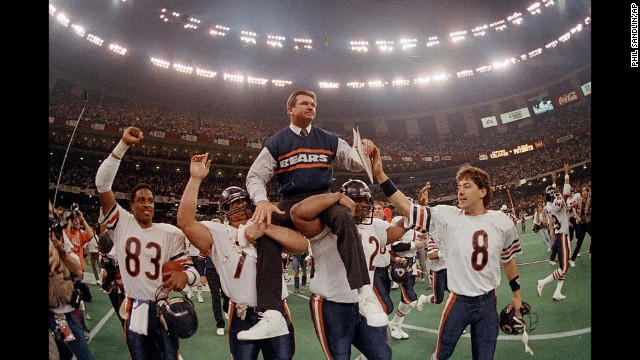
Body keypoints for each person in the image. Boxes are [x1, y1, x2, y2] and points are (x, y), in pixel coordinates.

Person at [245, 89, 387, 338]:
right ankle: (272, 313)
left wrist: (366, 150)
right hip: (290, 200)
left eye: (313, 104)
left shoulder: (329, 139)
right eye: (304, 103)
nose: (311, 107)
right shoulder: (277, 141)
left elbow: (354, 162)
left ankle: (365, 294)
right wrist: (262, 201)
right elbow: (255, 176)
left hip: (323, 198)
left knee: (343, 216)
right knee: (265, 230)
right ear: (290, 109)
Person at [371, 146, 524, 360]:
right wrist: (379, 173)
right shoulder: (447, 216)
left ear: (483, 191)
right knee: (441, 355)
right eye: (459, 186)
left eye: (467, 186)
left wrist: (517, 295)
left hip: (488, 302)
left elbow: (509, 260)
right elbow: (405, 207)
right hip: (459, 302)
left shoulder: (502, 221)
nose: (460, 191)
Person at [177, 152, 308, 359]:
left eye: (241, 203)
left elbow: (302, 245)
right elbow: (184, 222)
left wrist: (266, 230)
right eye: (232, 205)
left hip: (276, 310)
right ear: (224, 211)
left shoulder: (266, 223)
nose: (238, 208)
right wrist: (195, 179)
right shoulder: (218, 234)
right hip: (242, 313)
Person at [95, 126, 200, 360]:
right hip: (135, 308)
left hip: (164, 308)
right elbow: (102, 184)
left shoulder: (169, 233)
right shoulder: (123, 222)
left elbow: (190, 270)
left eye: (150, 200)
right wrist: (122, 145)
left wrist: (187, 277)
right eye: (141, 200)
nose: (147, 204)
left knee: (170, 357)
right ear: (131, 205)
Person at [290, 180, 409, 360]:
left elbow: (402, 226)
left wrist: (419, 207)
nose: (359, 205)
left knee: (382, 355)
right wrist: (335, 197)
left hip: (364, 305)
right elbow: (297, 214)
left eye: (363, 200)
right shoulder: (324, 226)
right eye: (354, 200)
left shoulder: (375, 226)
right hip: (331, 304)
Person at [49, 209, 94, 360]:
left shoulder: (58, 236)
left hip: (62, 313)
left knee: (82, 353)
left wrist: (59, 249)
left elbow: (78, 270)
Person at [537, 164, 572, 301]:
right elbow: (566, 192)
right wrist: (566, 173)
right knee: (563, 268)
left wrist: (554, 181)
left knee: (565, 267)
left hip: (560, 235)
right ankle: (543, 282)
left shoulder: (548, 205)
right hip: (562, 236)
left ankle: (557, 292)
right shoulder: (556, 202)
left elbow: (552, 195)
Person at [197, 248, 227, 336]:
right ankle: (220, 325)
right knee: (215, 297)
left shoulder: (226, 239)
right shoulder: (207, 241)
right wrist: (201, 274)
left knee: (227, 295)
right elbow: (201, 258)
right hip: (211, 272)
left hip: (225, 272)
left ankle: (226, 308)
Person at [570, 185, 591, 266]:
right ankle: (572, 260)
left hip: (589, 223)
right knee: (579, 244)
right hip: (581, 225)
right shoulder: (578, 201)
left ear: (588, 192)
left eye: (586, 190)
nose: (584, 192)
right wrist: (579, 219)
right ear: (581, 192)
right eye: (583, 190)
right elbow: (574, 212)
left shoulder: (590, 200)